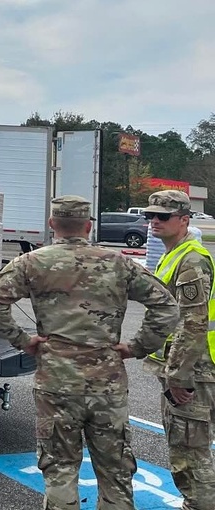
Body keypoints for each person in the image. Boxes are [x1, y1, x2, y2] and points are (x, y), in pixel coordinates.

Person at [0, 195, 179, 510]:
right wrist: (137, 347)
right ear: (88, 226)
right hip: (108, 384)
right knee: (115, 469)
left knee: (60, 466)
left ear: (51, 225)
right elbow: (167, 306)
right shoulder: (119, 263)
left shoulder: (32, 262)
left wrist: (23, 340)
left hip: (56, 382)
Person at [141, 189, 215, 510]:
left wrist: (178, 377)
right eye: (150, 215)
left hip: (193, 376)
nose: (154, 221)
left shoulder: (191, 261)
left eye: (163, 216)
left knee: (191, 459)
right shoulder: (173, 255)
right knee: (189, 452)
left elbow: (193, 324)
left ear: (184, 220)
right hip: (188, 371)